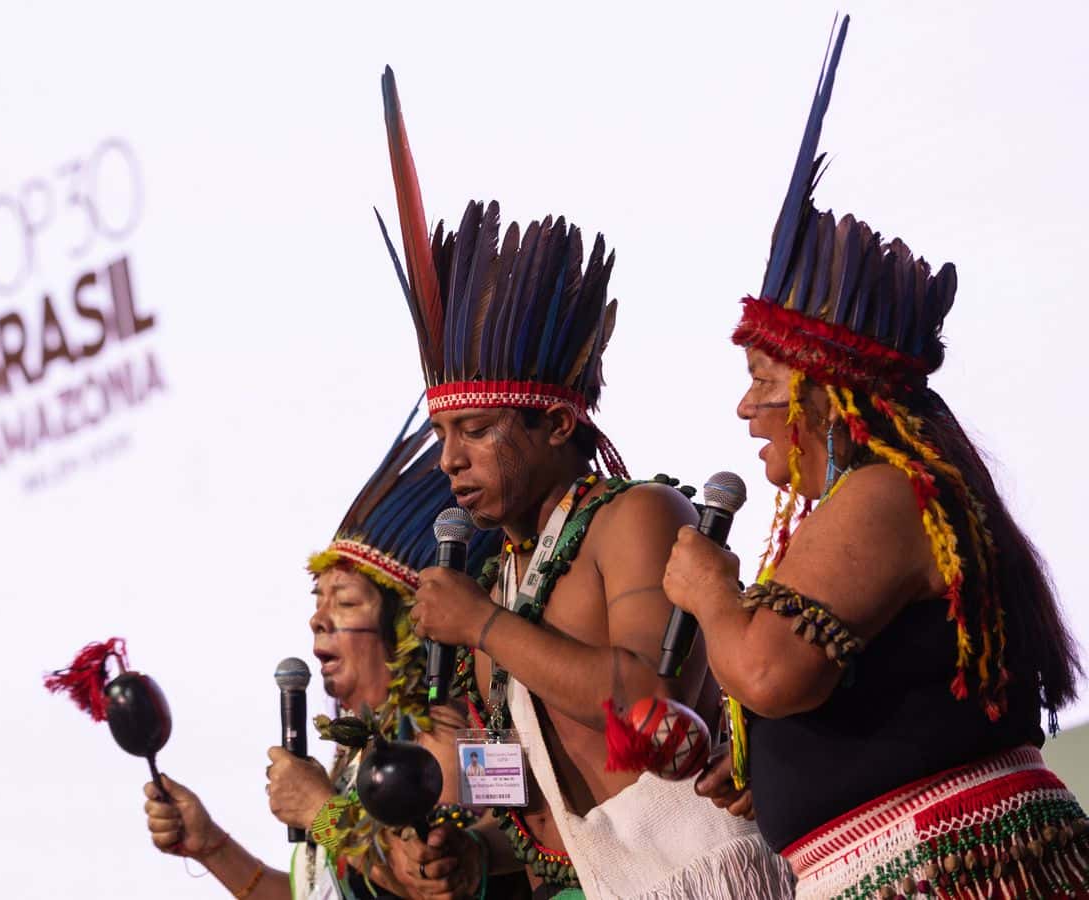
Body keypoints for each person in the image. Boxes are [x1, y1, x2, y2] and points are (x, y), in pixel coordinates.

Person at [661, 17, 1088, 899]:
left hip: (942, 868)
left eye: (762, 378)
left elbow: (773, 670)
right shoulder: (889, 496)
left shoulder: (888, 493)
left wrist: (710, 593)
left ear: (827, 392)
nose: (747, 407)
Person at [372, 67, 792, 900]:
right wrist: (471, 844)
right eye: (443, 437)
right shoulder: (500, 579)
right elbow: (536, 789)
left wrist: (484, 624)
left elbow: (649, 695)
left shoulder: (637, 516)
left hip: (724, 873)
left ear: (559, 424)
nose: (452, 460)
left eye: (478, 432)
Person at [142, 408, 499, 899]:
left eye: (346, 601)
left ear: (405, 627)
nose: (319, 618)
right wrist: (209, 844)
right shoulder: (352, 755)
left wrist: (320, 811)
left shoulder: (440, 735)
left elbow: (433, 884)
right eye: (319, 601)